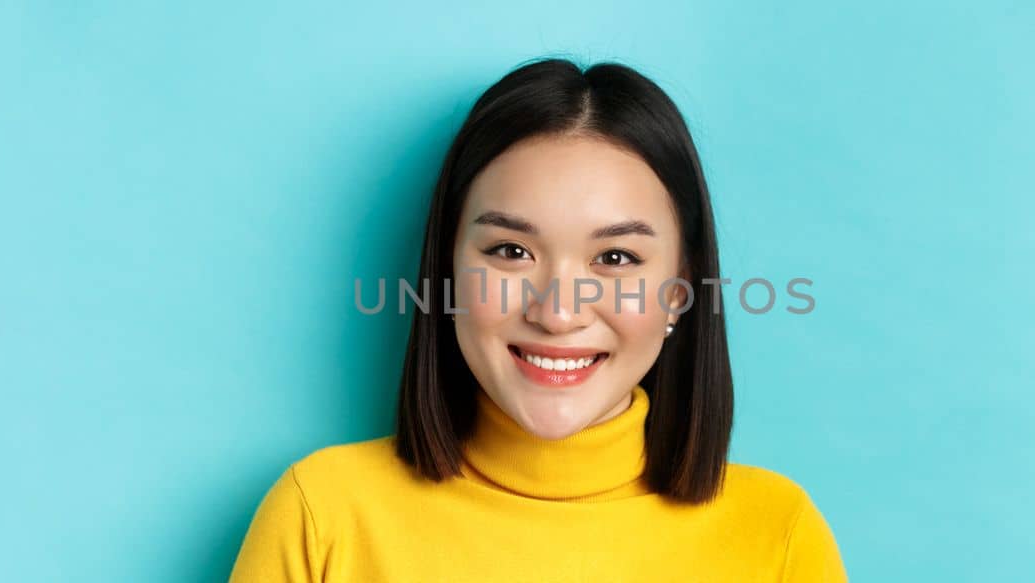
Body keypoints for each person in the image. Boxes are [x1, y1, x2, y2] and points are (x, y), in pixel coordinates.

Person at [228, 57, 848, 582]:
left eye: (615, 257)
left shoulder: (777, 538)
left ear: (681, 292)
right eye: (510, 251)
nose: (557, 313)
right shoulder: (323, 517)